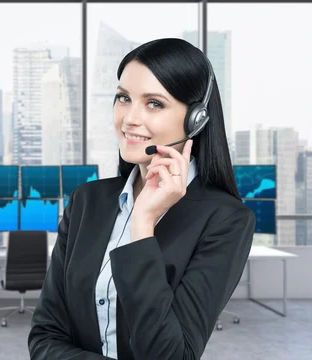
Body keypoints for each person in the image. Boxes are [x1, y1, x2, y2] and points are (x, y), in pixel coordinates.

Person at [27, 38, 256, 360]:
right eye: (123, 98)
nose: (129, 119)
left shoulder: (225, 220)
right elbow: (44, 337)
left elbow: (172, 355)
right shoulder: (86, 201)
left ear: (197, 119)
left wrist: (142, 224)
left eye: (154, 103)